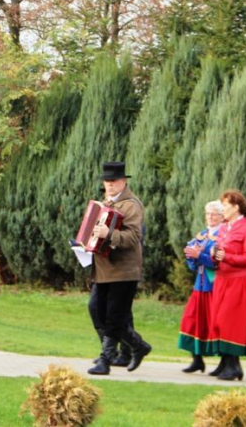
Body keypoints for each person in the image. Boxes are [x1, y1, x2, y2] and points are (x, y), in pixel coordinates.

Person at [88, 161, 151, 375]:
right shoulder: (104, 204)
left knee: (114, 316)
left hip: (124, 270)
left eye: (113, 181)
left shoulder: (131, 205)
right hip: (103, 269)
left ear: (124, 182)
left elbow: (134, 237)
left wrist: (109, 235)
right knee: (96, 309)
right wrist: (86, 243)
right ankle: (138, 345)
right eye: (107, 181)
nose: (109, 184)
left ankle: (106, 359)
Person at [209, 189, 246, 381]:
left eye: (225, 206)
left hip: (240, 281)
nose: (222, 209)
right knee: (217, 321)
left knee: (229, 322)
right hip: (222, 279)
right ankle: (226, 363)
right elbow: (217, 251)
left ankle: (233, 366)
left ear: (236, 207)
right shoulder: (224, 228)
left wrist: (227, 257)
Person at [177, 201, 223, 373]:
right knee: (191, 320)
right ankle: (197, 359)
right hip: (200, 285)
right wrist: (191, 256)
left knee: (216, 324)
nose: (210, 217)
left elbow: (218, 262)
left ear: (222, 217)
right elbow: (193, 264)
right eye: (208, 214)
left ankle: (223, 363)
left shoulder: (223, 237)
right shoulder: (202, 235)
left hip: (215, 286)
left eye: (214, 214)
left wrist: (200, 255)